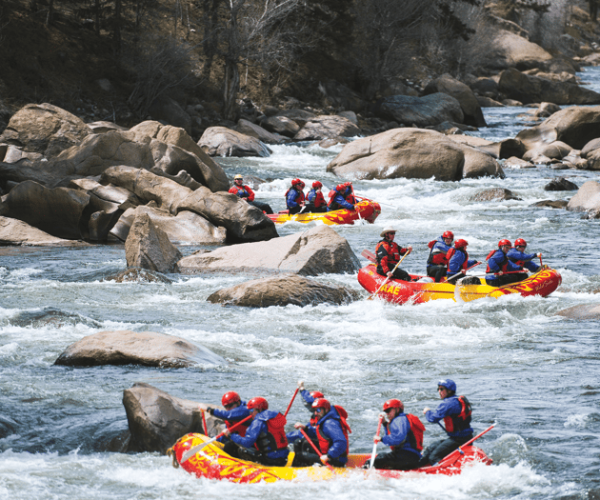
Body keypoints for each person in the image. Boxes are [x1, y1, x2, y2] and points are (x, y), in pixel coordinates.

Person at [420, 379, 473, 467]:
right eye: (438, 389)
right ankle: (415, 465)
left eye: (442, 389)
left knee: (434, 457)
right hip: (462, 437)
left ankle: (442, 471)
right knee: (430, 448)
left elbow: (433, 418)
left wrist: (427, 411)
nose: (439, 391)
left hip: (459, 440)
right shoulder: (457, 400)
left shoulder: (448, 404)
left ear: (449, 390)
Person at [227, 396, 289, 466]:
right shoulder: (274, 418)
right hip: (283, 460)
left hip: (269, 461)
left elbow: (247, 443)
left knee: (238, 448)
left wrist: (231, 435)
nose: (250, 414)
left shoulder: (258, 422)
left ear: (258, 410)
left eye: (251, 411)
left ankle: (236, 467)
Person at [366, 399, 424, 470]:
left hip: (407, 457)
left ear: (397, 409)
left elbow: (398, 438)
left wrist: (382, 439)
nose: (387, 414)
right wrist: (384, 423)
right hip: (411, 457)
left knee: (372, 462)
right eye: (385, 411)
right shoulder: (401, 419)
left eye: (388, 410)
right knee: (381, 456)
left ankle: (362, 473)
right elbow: (393, 435)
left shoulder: (400, 420)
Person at [290, 398, 350, 467]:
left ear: (326, 409)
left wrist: (328, 456)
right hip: (329, 453)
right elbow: (318, 434)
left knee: (300, 455)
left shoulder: (329, 423)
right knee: (299, 442)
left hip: (334, 459)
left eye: (318, 410)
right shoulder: (324, 420)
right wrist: (306, 428)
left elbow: (341, 442)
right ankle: (305, 467)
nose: (315, 413)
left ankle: (298, 470)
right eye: (314, 410)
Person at [206, 391, 251, 458]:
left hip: (252, 445)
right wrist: (211, 441)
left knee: (229, 446)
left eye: (230, 405)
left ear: (238, 403)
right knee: (228, 445)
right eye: (226, 407)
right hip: (240, 443)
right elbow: (226, 435)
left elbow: (230, 415)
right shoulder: (229, 418)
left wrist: (209, 410)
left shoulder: (246, 411)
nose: (228, 409)